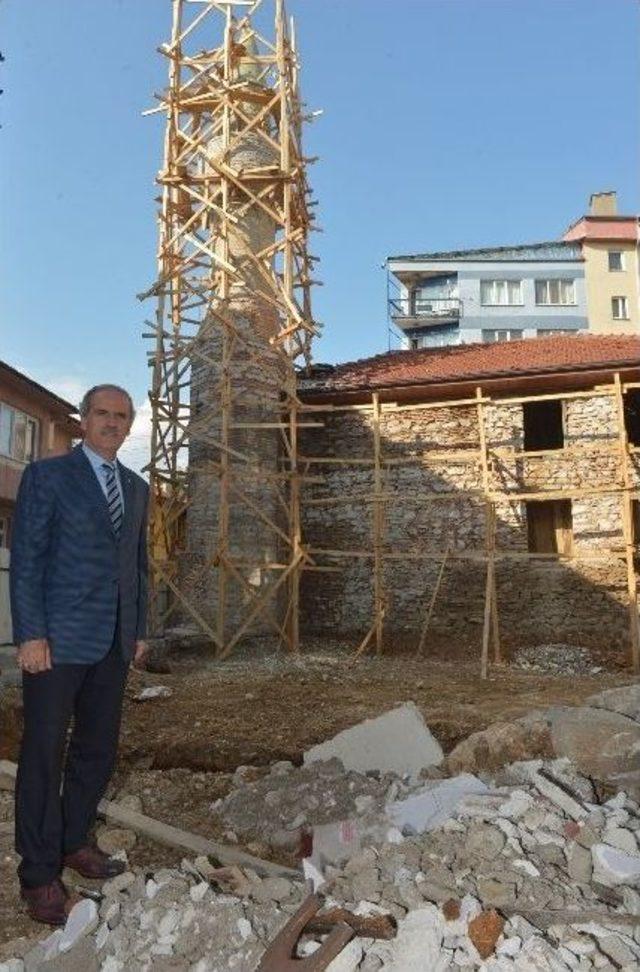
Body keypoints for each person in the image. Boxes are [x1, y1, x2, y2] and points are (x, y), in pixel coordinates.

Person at [10, 384, 149, 926]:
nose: (112, 423)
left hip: (112, 643)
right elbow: (27, 561)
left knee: (96, 750)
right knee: (44, 755)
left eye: (122, 416)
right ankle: (39, 875)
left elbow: (136, 566)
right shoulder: (48, 477)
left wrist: (138, 631)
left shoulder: (136, 488)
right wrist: (30, 634)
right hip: (57, 642)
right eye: (102, 414)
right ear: (84, 419)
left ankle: (73, 841)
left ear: (129, 424)